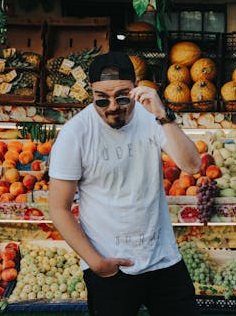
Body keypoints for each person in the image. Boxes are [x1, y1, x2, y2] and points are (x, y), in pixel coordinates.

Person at [48, 51, 202, 316]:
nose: (112, 107)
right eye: (102, 99)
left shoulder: (150, 118)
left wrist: (163, 115)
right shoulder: (76, 133)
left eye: (122, 97)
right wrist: (96, 264)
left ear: (135, 89)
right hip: (110, 267)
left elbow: (192, 165)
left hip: (162, 259)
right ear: (91, 93)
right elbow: (59, 208)